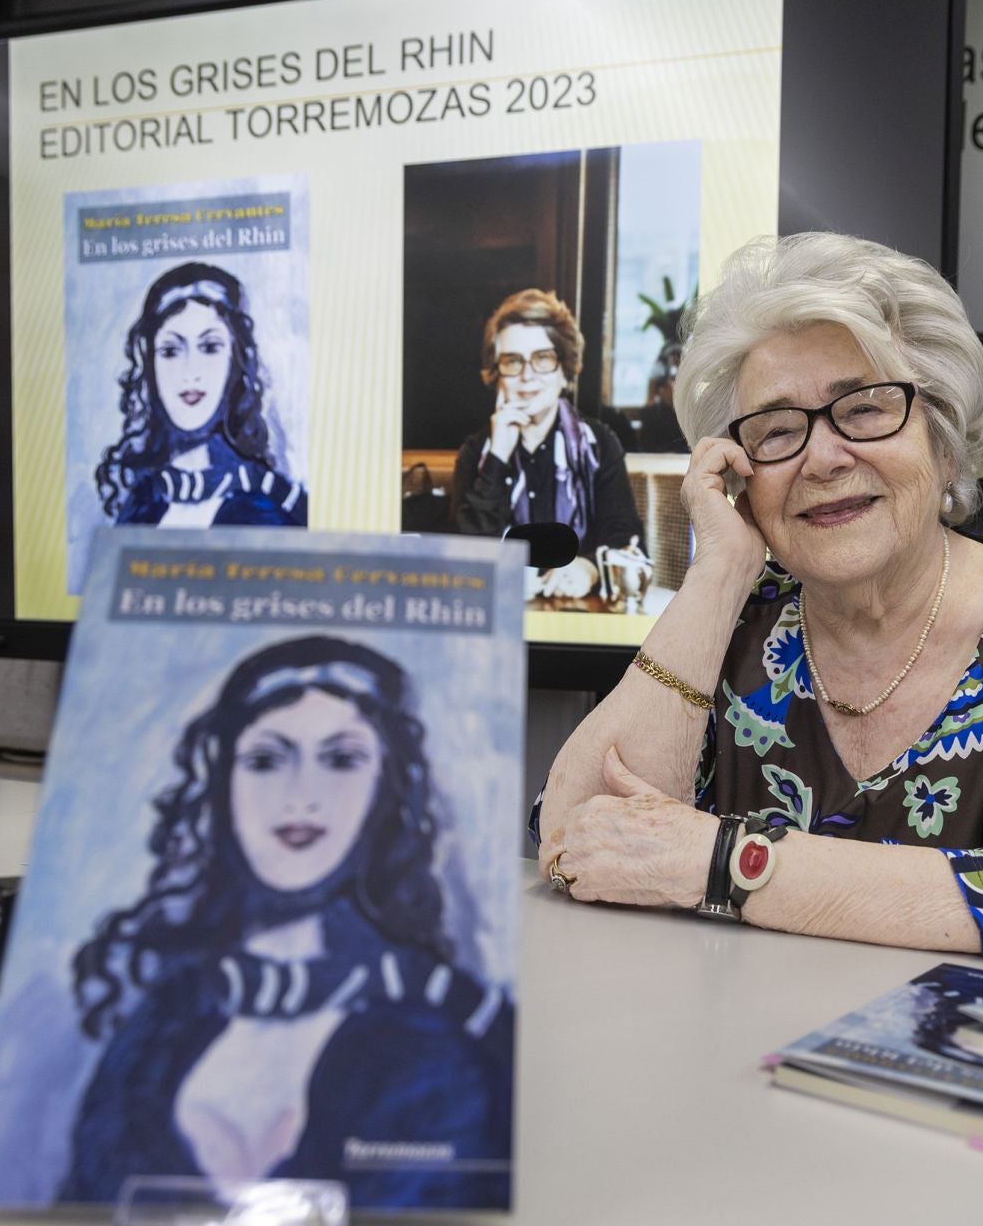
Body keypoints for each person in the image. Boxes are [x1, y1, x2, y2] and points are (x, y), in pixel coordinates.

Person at [534, 232, 983, 976]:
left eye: (863, 410)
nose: (822, 458)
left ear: (945, 442)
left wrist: (727, 862)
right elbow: (574, 841)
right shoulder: (736, 622)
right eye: (776, 430)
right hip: (719, 1050)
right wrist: (721, 571)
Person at [59, 638, 511, 1208]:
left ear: (387, 784)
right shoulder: (168, 1015)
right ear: (223, 783)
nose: (302, 796)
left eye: (342, 758)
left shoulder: (444, 1017)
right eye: (267, 760)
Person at [449, 288, 646, 604]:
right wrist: (497, 456)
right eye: (513, 362)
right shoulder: (476, 451)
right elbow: (462, 562)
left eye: (542, 359)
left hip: (578, 622)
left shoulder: (599, 444)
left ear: (564, 370)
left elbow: (628, 542)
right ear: (497, 374)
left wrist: (590, 568)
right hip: (497, 619)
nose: (527, 376)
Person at [95, 261, 308, 529]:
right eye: (171, 351)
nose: (190, 372)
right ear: (150, 364)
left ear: (236, 360)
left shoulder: (271, 503)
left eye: (209, 347)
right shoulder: (142, 502)